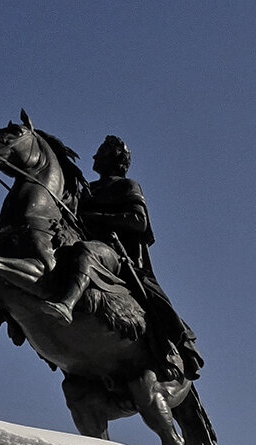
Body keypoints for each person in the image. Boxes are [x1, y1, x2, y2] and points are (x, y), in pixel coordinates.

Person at [45, 136, 203, 382]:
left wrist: (95, 217)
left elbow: (138, 222)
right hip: (81, 248)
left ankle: (182, 344)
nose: (94, 157)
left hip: (118, 256)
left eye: (100, 152)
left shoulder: (128, 186)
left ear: (114, 159)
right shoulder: (88, 189)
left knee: (152, 297)